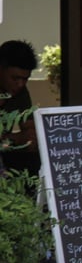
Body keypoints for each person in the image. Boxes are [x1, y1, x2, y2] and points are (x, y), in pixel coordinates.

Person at [0, 40, 41, 175]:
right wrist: (16, 139)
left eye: (25, 79)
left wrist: (29, 137)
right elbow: (21, 138)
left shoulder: (20, 92)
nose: (20, 84)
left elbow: (30, 131)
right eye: (15, 78)